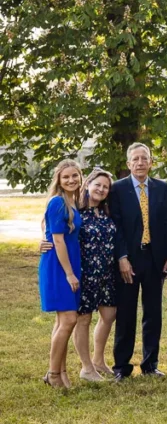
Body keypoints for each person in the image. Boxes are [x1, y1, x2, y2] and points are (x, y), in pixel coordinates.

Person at [110, 143, 167, 379]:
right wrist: (122, 257)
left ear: (151, 162)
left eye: (144, 158)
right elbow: (116, 228)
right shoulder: (117, 189)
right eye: (135, 159)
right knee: (126, 314)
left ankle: (150, 365)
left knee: (153, 314)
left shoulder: (161, 188)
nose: (140, 162)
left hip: (155, 258)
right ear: (128, 164)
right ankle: (121, 367)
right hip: (129, 259)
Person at [40, 160, 84, 389]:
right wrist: (69, 274)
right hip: (59, 266)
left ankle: (61, 371)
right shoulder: (57, 202)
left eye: (74, 176)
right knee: (69, 319)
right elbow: (57, 240)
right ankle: (53, 373)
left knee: (62, 321)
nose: (71, 180)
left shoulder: (73, 202)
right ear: (59, 179)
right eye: (66, 177)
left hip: (70, 262)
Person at [72, 168, 118, 381]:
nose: (101, 189)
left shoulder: (107, 212)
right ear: (88, 185)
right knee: (84, 319)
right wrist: (45, 242)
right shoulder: (76, 212)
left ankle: (98, 360)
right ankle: (86, 367)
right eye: (97, 185)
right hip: (85, 273)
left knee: (109, 315)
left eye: (105, 187)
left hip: (107, 273)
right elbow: (56, 233)